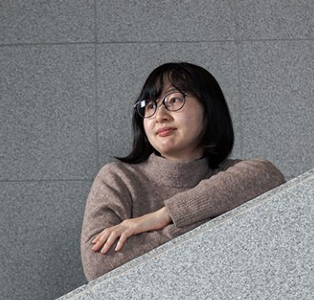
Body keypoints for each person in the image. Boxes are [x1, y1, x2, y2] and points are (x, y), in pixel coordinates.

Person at [81, 62, 285, 281]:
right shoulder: (119, 178)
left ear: (209, 108)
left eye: (174, 100)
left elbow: (268, 175)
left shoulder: (232, 174)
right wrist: (215, 225)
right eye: (149, 106)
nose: (159, 115)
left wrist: (164, 215)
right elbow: (99, 264)